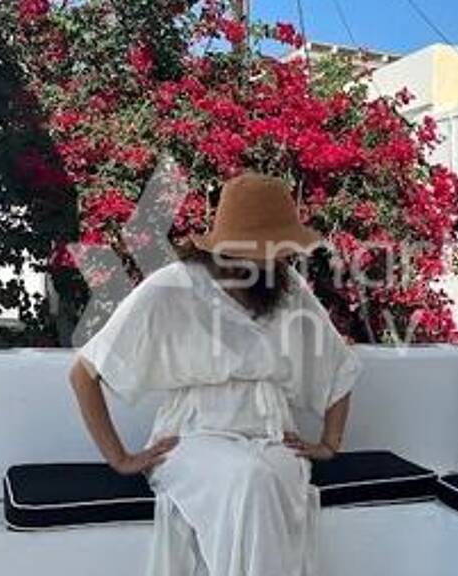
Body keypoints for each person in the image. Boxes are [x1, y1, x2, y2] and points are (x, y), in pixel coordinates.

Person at [68, 173, 361, 576]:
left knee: (265, 479)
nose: (278, 260)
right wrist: (120, 458)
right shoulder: (173, 286)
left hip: (273, 435)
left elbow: (338, 365)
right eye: (266, 249)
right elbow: (84, 373)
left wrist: (329, 443)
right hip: (193, 437)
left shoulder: (288, 288)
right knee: (248, 480)